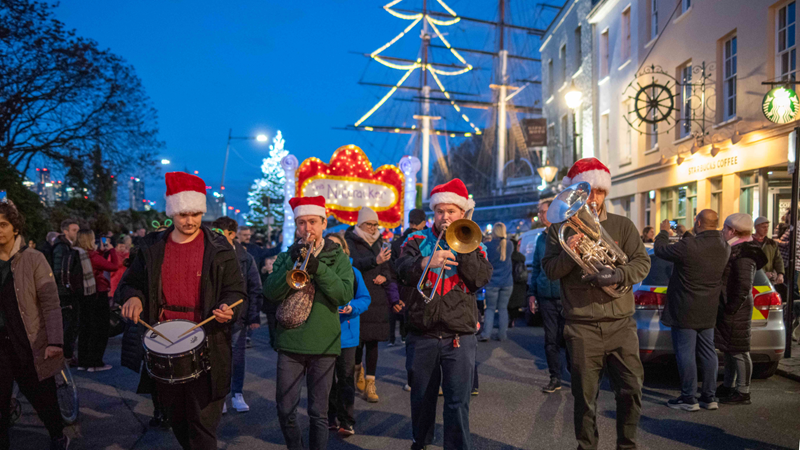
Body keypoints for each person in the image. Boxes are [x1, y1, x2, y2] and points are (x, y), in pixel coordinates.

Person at [118, 172, 246, 450]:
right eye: (183, 214)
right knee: (176, 417)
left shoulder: (220, 247)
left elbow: (237, 291)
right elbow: (130, 284)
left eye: (195, 214)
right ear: (172, 214)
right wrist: (134, 298)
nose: (189, 221)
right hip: (163, 342)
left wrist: (229, 308)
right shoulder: (152, 246)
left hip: (208, 340)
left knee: (202, 422)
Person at [541, 157, 650, 450]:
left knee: (631, 389)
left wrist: (618, 274)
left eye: (598, 191)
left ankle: (627, 445)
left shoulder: (622, 226)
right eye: (586, 191)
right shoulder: (558, 230)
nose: (593, 197)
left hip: (621, 324)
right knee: (585, 398)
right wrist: (569, 251)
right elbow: (550, 270)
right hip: (581, 326)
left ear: (605, 192)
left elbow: (641, 262)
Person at [396, 179, 492, 450]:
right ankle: (421, 442)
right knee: (421, 399)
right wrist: (426, 261)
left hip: (458, 335)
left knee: (457, 402)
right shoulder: (415, 239)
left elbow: (478, 279)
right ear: (433, 214)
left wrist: (463, 247)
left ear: (462, 213)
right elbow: (401, 269)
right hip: (422, 332)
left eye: (451, 211)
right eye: (440, 211)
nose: (445, 217)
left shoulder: (474, 242)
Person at [264, 196, 354, 450]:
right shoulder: (286, 256)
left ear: (324, 223)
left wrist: (318, 269)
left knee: (318, 413)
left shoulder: (337, 257)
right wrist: (292, 265)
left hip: (324, 344)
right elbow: (270, 292)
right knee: (285, 409)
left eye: (312, 222)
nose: (307, 229)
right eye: (301, 223)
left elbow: (343, 295)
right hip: (290, 343)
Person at [0, 202, 70, 450]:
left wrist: (55, 341)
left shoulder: (33, 259)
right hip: (1, 345)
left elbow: (50, 303)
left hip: (29, 341)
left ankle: (57, 434)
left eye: (4, 225)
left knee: (43, 398)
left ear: (15, 228)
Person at [653, 210, 730, 411]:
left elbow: (661, 250)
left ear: (697, 222)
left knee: (685, 353)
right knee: (708, 352)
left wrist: (663, 232)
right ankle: (709, 397)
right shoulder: (724, 246)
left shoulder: (689, 246)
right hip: (709, 309)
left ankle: (688, 398)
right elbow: (697, 248)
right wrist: (687, 234)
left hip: (685, 308)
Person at [211, 217, 262, 414]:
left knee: (237, 357)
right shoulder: (210, 254)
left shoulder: (245, 258)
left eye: (220, 232)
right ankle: (219, 396)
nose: (215, 236)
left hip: (237, 317)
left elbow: (254, 288)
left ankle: (237, 393)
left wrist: (253, 316)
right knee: (215, 358)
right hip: (213, 316)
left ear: (232, 234)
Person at [345, 207, 396, 403]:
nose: (374, 228)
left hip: (378, 298)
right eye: (370, 224)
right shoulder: (351, 241)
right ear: (360, 224)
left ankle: (371, 382)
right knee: (358, 340)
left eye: (375, 224)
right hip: (358, 295)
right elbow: (352, 264)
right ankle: (358, 369)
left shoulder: (381, 242)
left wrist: (385, 276)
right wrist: (375, 261)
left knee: (373, 342)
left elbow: (388, 267)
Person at [716, 213, 767, 405]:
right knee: (730, 349)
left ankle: (743, 391)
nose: (722, 231)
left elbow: (743, 286)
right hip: (732, 307)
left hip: (737, 309)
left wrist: (731, 308)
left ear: (733, 230)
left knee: (739, 350)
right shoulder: (736, 249)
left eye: (724, 228)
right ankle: (729, 386)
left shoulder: (745, 253)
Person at [326, 232, 370, 436]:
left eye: (338, 246)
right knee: (325, 381)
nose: (334, 250)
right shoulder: (320, 271)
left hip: (347, 335)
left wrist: (352, 307)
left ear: (345, 250)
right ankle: (329, 417)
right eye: (329, 246)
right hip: (323, 334)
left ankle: (347, 420)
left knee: (345, 379)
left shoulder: (353, 272)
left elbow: (364, 298)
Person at [529, 199, 568, 393]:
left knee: (569, 339)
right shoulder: (540, 239)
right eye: (539, 211)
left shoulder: (566, 233)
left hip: (565, 294)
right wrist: (532, 293)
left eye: (543, 211)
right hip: (546, 295)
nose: (541, 215)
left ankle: (575, 376)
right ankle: (555, 377)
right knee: (550, 340)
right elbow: (536, 267)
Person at [76, 229, 119, 372]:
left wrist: (101, 252)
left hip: (83, 295)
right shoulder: (92, 256)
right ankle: (95, 363)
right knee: (100, 329)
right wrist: (112, 251)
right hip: (97, 294)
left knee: (85, 328)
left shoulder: (78, 253)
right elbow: (114, 266)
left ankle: (83, 362)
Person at [390, 209, 428, 347]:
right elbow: (394, 269)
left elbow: (393, 268)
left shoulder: (398, 242)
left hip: (409, 286)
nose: (414, 226)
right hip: (411, 286)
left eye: (415, 223)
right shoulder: (400, 242)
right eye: (413, 223)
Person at [51, 219, 81, 363]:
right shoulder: (61, 247)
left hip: (67, 291)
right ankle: (66, 355)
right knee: (68, 324)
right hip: (65, 293)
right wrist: (67, 289)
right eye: (74, 230)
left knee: (71, 324)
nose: (77, 233)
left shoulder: (66, 246)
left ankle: (67, 354)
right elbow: (60, 271)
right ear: (65, 231)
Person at [480, 222, 514, 342]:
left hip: (492, 283)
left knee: (490, 309)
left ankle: (486, 334)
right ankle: (502, 335)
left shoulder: (488, 246)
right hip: (507, 283)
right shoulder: (510, 245)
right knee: (503, 309)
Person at [752, 216, 785, 286]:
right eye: (763, 227)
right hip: (752, 280)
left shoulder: (771, 243)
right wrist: (762, 274)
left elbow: (778, 259)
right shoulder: (749, 242)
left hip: (768, 280)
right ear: (756, 227)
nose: (766, 229)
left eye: (767, 227)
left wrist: (780, 274)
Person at [507, 239, 527, 329]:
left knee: (508, 303)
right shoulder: (521, 257)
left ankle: (508, 320)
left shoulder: (507, 256)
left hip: (510, 281)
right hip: (519, 283)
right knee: (516, 304)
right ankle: (513, 320)